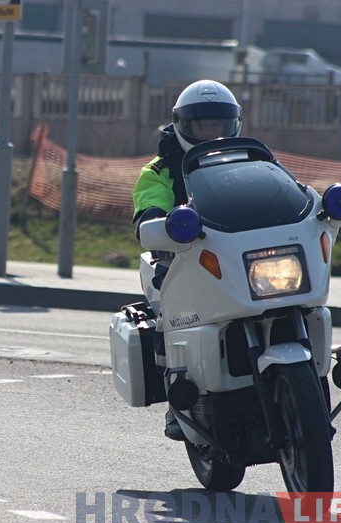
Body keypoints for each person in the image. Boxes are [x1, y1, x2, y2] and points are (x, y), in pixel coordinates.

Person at [131, 79, 243, 441]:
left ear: (233, 124)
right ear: (183, 125)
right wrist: (155, 220)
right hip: (183, 258)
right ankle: (177, 399)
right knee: (171, 313)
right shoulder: (159, 169)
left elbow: (279, 189)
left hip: (237, 256)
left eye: (217, 124)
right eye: (202, 125)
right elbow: (149, 203)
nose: (210, 133)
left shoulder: (248, 160)